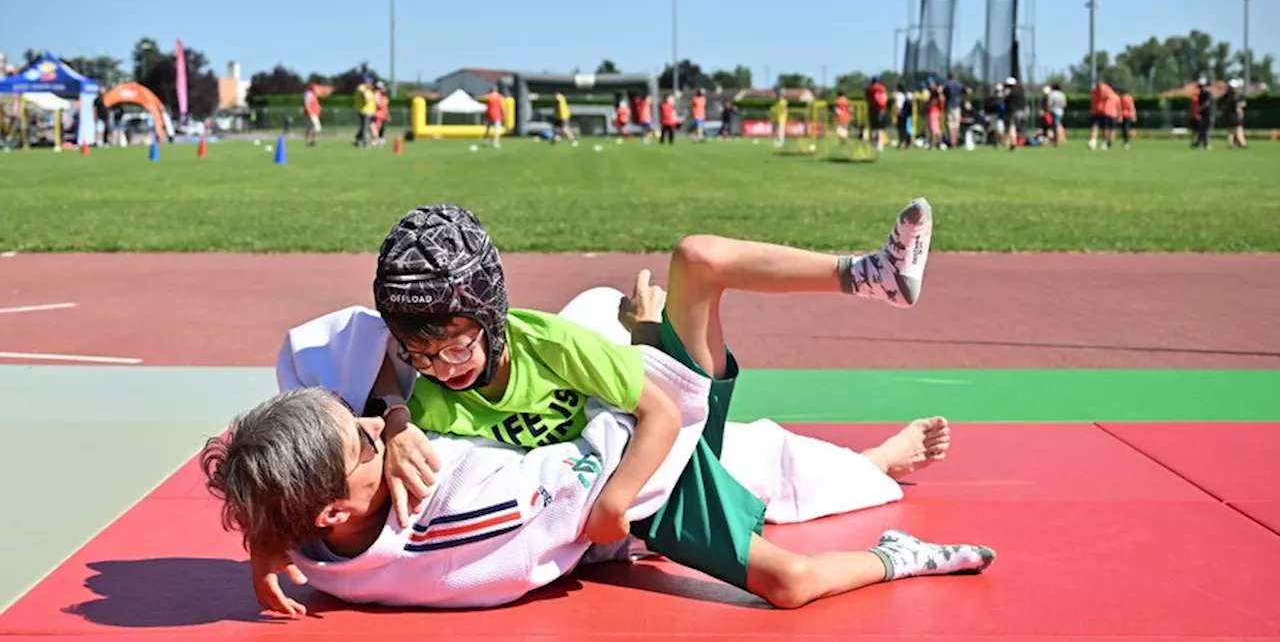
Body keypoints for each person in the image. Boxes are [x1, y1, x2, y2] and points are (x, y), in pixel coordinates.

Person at [206, 274, 995, 616]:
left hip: (567, 417)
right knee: (766, 496)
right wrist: (651, 344)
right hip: (615, 467)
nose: (381, 421)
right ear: (341, 503)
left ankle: (873, 462)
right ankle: (897, 543)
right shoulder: (470, 506)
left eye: (367, 413)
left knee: (765, 462)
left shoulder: (317, 530)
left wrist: (269, 538)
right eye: (370, 434)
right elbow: (619, 460)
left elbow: (282, 417)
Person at [355, 197, 987, 608]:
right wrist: (396, 417)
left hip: (652, 451)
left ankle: (873, 274)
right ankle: (896, 550)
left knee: (697, 256)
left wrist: (616, 498)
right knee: (790, 580)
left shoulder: (548, 342)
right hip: (643, 494)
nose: (442, 368)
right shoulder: (430, 393)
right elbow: (353, 402)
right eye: (421, 355)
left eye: (458, 349)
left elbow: (661, 411)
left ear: (491, 318)